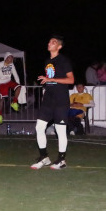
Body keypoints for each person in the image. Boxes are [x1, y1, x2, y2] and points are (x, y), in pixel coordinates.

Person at [31, 35, 75, 170]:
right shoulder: (47, 61)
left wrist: (51, 80)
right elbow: (50, 80)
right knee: (39, 127)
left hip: (61, 100)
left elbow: (71, 80)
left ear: (59, 47)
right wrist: (48, 83)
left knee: (60, 130)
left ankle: (61, 160)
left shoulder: (64, 60)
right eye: (49, 41)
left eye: (53, 42)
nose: (50, 43)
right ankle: (44, 158)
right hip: (48, 100)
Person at [0, 52, 22, 124]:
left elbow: (15, 74)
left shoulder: (12, 65)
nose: (11, 59)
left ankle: (14, 102)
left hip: (9, 81)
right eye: (10, 58)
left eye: (12, 58)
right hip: (1, 83)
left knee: (18, 87)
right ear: (6, 58)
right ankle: (0, 115)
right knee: (1, 100)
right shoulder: (0, 64)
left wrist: (18, 83)